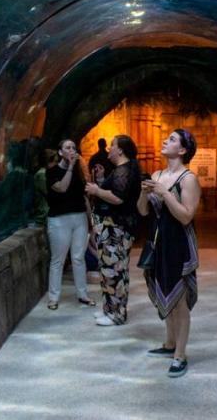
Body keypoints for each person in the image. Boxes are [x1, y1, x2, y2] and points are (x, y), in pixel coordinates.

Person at [138, 129, 200, 377]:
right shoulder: (157, 174)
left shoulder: (188, 179)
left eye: (172, 139)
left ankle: (180, 355)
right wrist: (144, 192)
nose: (165, 141)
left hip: (179, 245)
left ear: (183, 150)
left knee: (180, 302)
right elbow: (143, 212)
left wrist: (164, 193)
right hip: (158, 241)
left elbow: (186, 216)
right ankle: (169, 343)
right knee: (164, 291)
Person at [85, 135, 141, 326]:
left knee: (114, 272)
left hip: (116, 228)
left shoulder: (124, 171)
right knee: (111, 270)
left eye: (112, 146)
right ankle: (110, 309)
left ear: (121, 150)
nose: (109, 149)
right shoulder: (121, 170)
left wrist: (96, 190)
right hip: (111, 227)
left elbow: (118, 198)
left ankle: (116, 314)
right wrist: (100, 181)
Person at [45, 139, 96, 310]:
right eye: (68, 147)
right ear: (60, 152)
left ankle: (83, 294)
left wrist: (91, 221)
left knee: (78, 257)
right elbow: (62, 188)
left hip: (79, 217)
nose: (72, 150)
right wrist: (71, 167)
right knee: (58, 259)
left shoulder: (78, 172)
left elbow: (84, 197)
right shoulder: (52, 171)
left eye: (74, 147)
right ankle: (53, 297)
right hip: (59, 219)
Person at [32, 149, 57, 228]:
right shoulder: (42, 175)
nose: (57, 164)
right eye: (55, 162)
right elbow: (51, 193)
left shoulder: (47, 174)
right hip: (44, 218)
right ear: (48, 162)